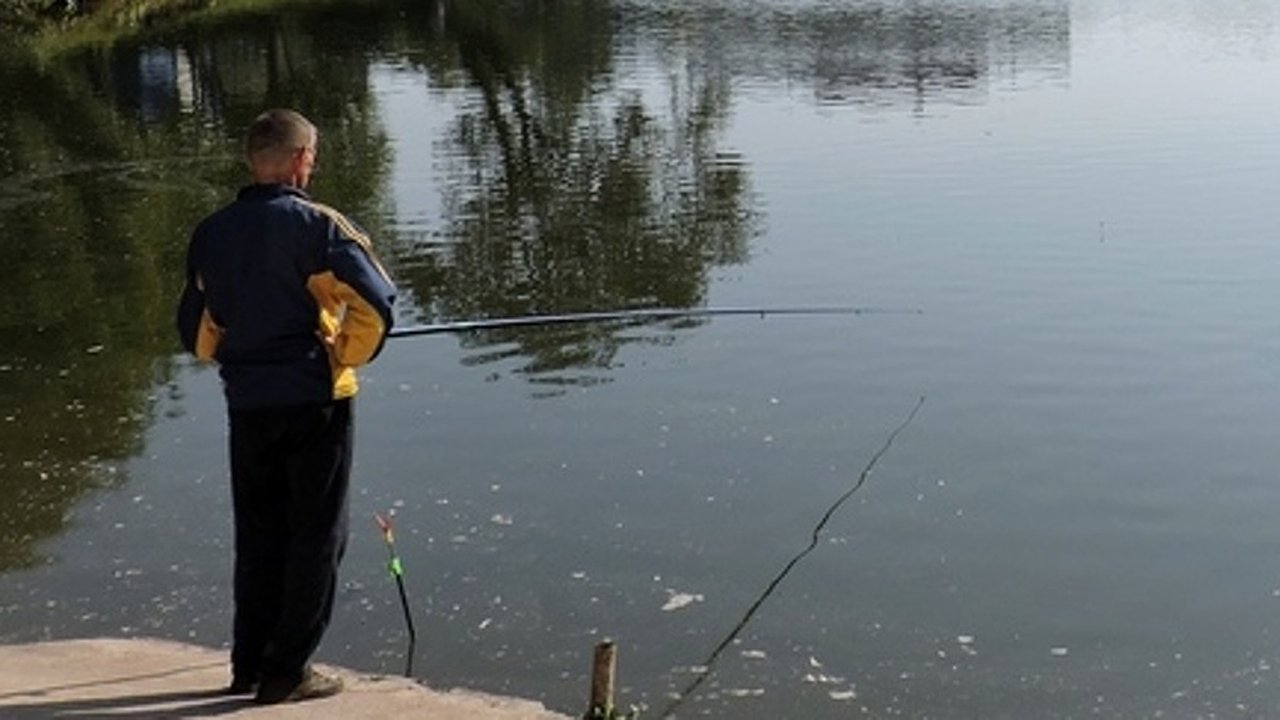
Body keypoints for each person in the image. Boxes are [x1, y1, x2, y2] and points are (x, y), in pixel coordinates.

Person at [176, 108, 396, 704]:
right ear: (300, 159)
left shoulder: (212, 233)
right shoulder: (319, 227)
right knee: (316, 535)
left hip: (247, 403)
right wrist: (341, 354)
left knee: (260, 532)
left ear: (253, 161)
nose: (312, 166)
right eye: (312, 157)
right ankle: (288, 671)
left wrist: (240, 356)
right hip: (313, 400)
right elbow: (377, 306)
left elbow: (196, 330)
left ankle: (249, 663)